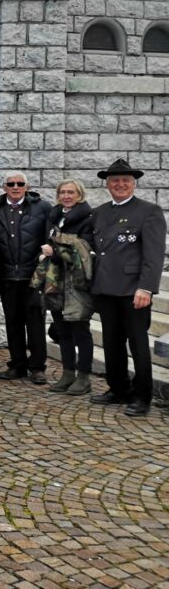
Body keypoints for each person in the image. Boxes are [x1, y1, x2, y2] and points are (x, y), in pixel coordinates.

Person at [90, 158, 166, 417]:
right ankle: (118, 389)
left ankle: (142, 396)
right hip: (105, 289)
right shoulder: (99, 212)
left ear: (133, 183)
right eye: (114, 181)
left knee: (138, 344)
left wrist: (146, 288)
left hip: (134, 290)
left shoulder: (149, 211)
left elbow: (153, 255)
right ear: (107, 185)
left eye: (125, 180)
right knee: (111, 343)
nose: (119, 184)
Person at [0, 171, 52, 384]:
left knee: (35, 323)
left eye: (20, 183)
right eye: (11, 184)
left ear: (27, 186)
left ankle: (37, 367)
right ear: (4, 187)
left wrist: (44, 270)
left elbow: (49, 239)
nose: (16, 187)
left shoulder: (42, 208)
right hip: (6, 276)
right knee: (12, 323)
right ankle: (17, 365)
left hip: (32, 276)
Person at [38, 179, 95, 396]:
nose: (66, 196)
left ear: (80, 194)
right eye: (63, 192)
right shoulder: (54, 215)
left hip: (77, 282)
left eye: (71, 192)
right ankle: (67, 373)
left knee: (80, 330)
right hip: (55, 279)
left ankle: (84, 377)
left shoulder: (88, 218)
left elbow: (85, 251)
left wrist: (54, 250)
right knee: (62, 330)